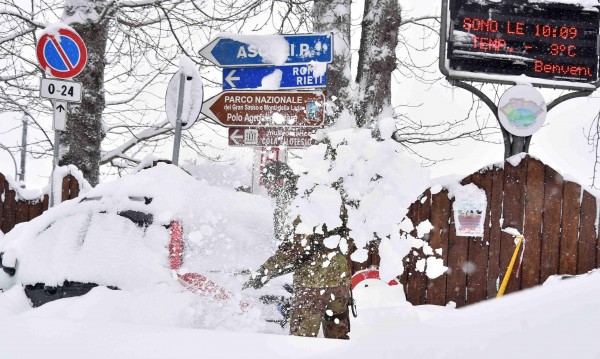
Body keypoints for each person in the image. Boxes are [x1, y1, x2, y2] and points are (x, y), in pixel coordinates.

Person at [243, 216, 352, 339]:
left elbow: (291, 250)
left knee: (302, 340)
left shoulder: (308, 212)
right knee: (337, 336)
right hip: (340, 285)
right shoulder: (341, 210)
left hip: (311, 287)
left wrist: (263, 272)